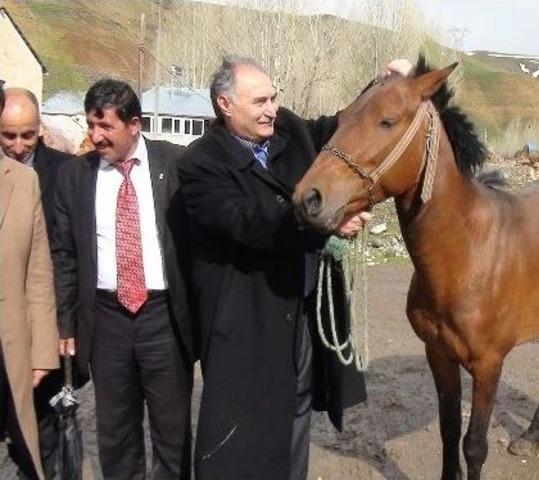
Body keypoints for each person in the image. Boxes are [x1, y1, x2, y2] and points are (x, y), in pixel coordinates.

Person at [178, 56, 401, 479]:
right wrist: (326, 222)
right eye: (260, 101)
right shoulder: (201, 165)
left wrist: (380, 86)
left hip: (299, 316)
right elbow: (250, 223)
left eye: (275, 97)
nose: (271, 108)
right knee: (240, 434)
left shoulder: (289, 130)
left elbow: (337, 126)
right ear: (226, 105)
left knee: (295, 422)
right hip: (244, 329)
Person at [51, 79, 195, 480]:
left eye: (105, 127)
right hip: (106, 319)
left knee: (172, 429)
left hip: (163, 319)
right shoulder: (74, 177)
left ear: (135, 124)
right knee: (115, 431)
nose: (95, 136)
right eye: (90, 125)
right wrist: (65, 322)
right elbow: (63, 255)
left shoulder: (177, 165)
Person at [0, 87, 74, 480]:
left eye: (26, 135)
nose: (17, 145)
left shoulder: (60, 172)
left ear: (39, 130)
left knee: (40, 433)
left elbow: (47, 268)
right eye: (7, 136)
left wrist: (52, 339)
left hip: (33, 326)